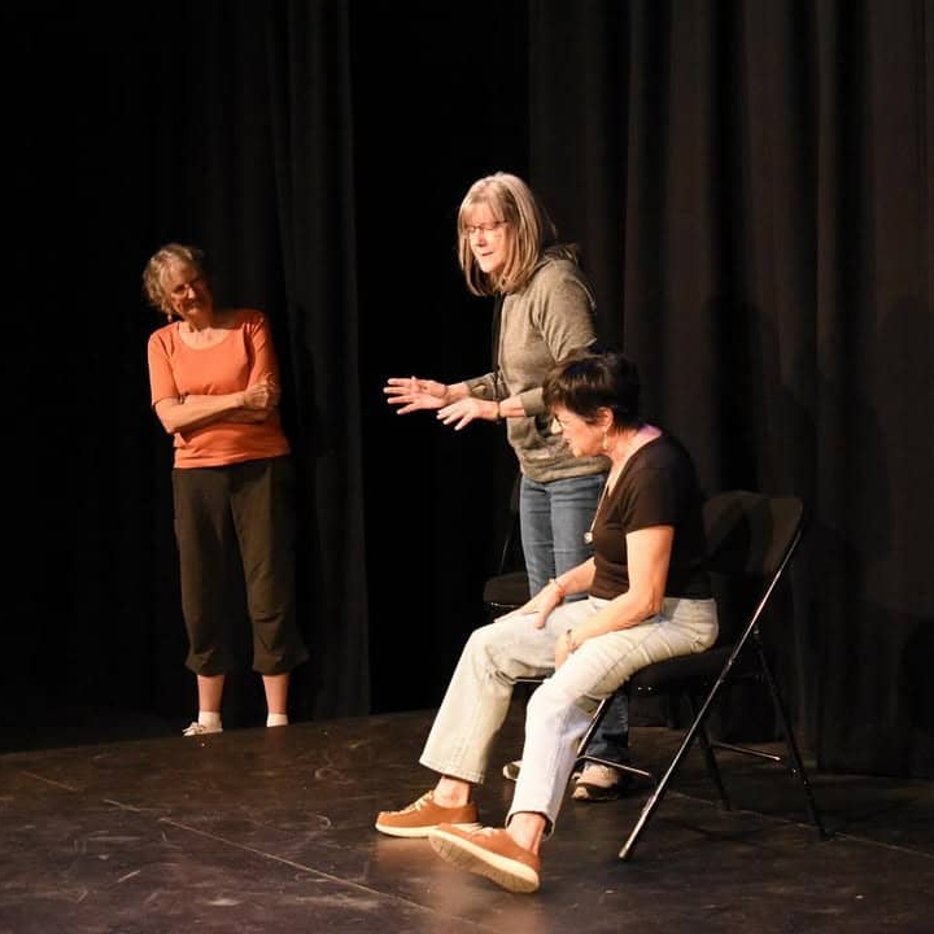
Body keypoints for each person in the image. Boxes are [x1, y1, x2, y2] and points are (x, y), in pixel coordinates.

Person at [375, 350, 718, 893]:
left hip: (671, 619)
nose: (557, 431)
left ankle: (524, 843)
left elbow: (648, 596)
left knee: (553, 700)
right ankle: (451, 800)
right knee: (488, 646)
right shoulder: (623, 454)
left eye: (564, 420)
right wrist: (557, 590)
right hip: (612, 607)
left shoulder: (656, 469)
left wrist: (580, 634)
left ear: (604, 417)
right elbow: (611, 558)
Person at [383, 171, 631, 800]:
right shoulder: (514, 292)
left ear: (520, 225)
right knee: (546, 616)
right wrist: (458, 392)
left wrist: (499, 410)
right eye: (471, 230)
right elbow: (511, 373)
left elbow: (582, 375)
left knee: (587, 616)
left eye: (491, 226)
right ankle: (563, 749)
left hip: (576, 471)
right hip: (537, 473)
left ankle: (605, 754)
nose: (480, 239)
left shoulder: (555, 283)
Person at [143, 243, 308, 737]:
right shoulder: (162, 343)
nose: (192, 292)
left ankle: (277, 716)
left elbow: (266, 402)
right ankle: (208, 717)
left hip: (261, 467)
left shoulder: (249, 325)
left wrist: (200, 404)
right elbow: (169, 416)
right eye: (179, 288)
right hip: (195, 474)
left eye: (195, 280)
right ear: (166, 299)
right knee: (201, 590)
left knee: (269, 584)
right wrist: (235, 398)